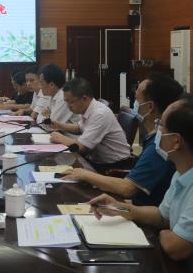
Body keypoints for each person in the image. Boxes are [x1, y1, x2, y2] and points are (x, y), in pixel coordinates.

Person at [89, 97, 193, 273]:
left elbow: (175, 248)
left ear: (176, 141)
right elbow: (162, 216)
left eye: (161, 126)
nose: (156, 131)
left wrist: (165, 232)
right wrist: (119, 208)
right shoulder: (186, 167)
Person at [62, 74, 183, 206]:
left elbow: (128, 188)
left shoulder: (159, 145)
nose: (134, 104)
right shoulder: (154, 138)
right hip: (136, 204)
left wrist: (85, 175)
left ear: (150, 107)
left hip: (133, 197)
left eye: (136, 100)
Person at [50, 77, 132, 170]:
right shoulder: (88, 108)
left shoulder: (100, 114)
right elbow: (79, 128)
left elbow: (80, 147)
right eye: (66, 101)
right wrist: (60, 125)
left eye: (71, 102)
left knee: (62, 169)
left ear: (84, 98)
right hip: (96, 161)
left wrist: (60, 138)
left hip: (114, 167)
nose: (68, 106)